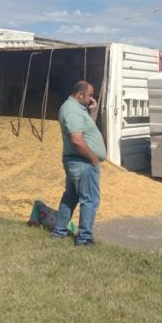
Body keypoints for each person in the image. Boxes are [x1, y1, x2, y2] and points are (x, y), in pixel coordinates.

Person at [51, 80, 106, 246]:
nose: (91, 98)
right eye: (89, 95)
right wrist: (93, 158)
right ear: (80, 94)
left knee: (71, 197)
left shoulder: (77, 109)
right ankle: (84, 239)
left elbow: (87, 129)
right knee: (89, 200)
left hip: (77, 161)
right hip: (82, 162)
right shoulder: (72, 111)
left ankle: (59, 232)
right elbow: (77, 141)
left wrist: (93, 111)